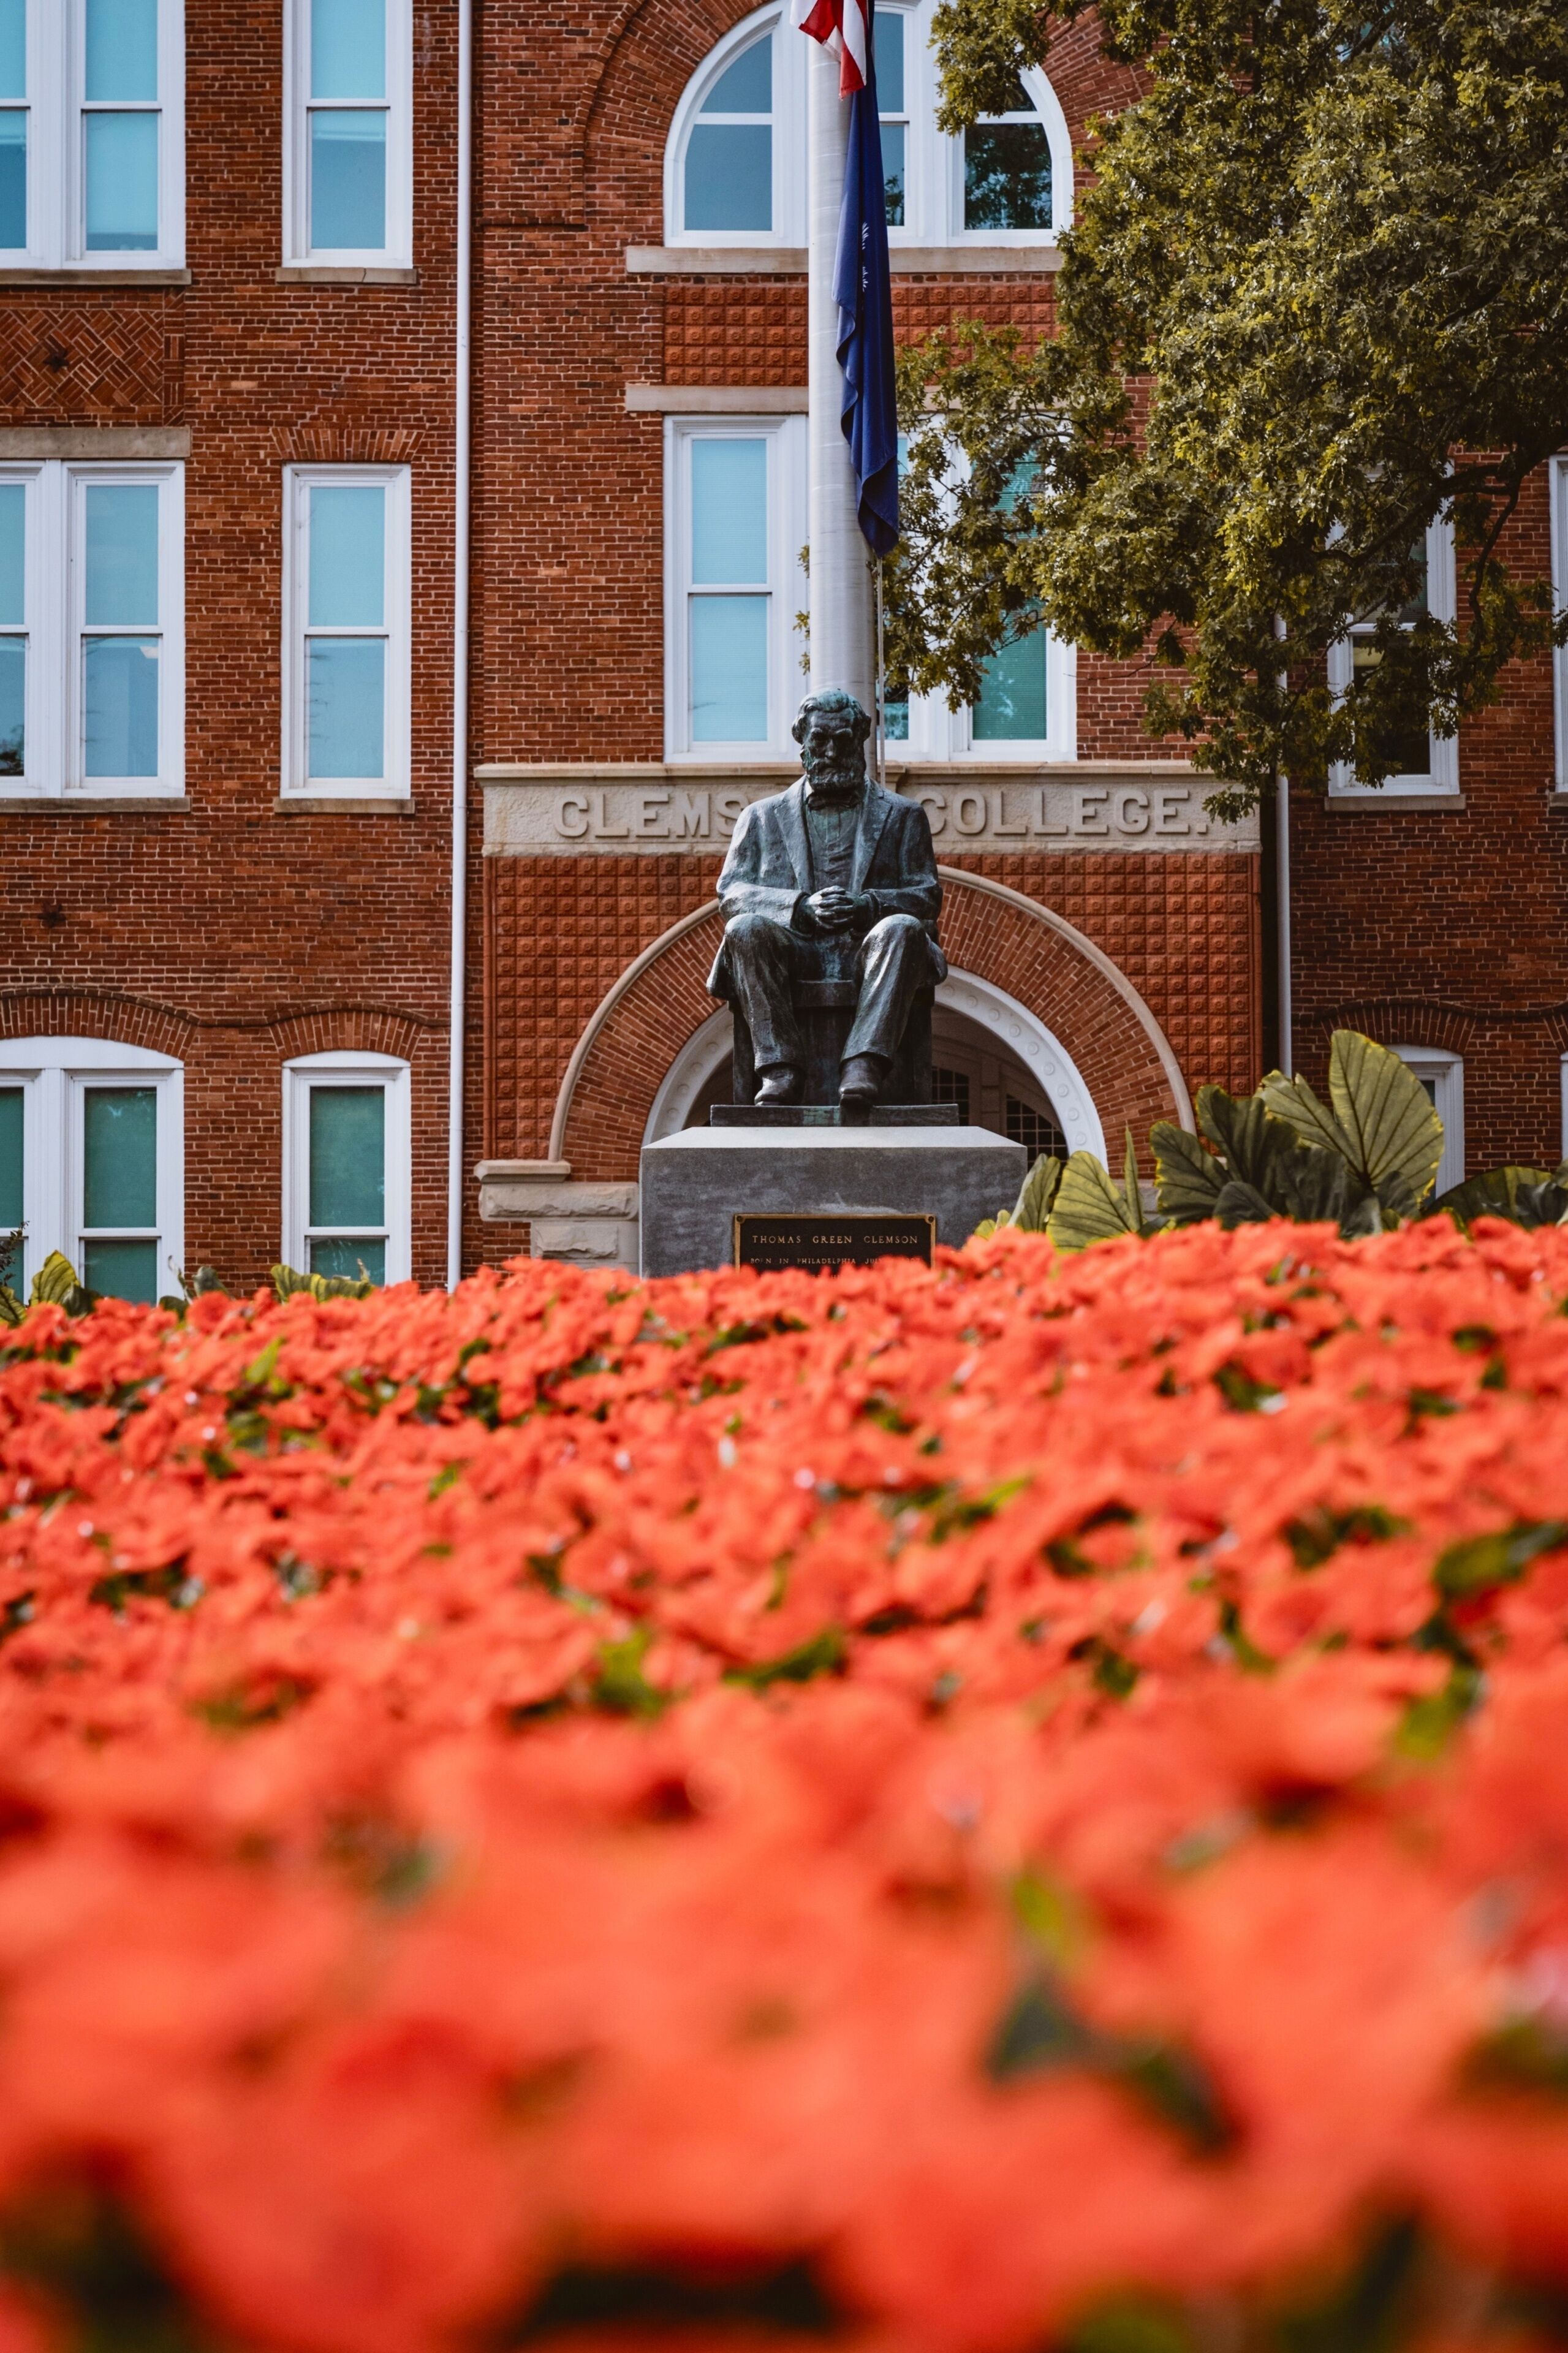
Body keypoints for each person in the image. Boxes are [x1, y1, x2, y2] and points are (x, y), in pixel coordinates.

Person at [707, 689, 945, 1108]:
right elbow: (733, 892)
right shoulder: (760, 818)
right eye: (820, 740)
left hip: (870, 952)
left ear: (860, 740)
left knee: (903, 928)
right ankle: (779, 1069)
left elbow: (924, 895)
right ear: (802, 740)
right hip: (791, 950)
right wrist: (798, 907)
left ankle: (863, 1064)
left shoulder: (903, 815)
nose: (832, 752)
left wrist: (866, 907)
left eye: (843, 740)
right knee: (743, 928)